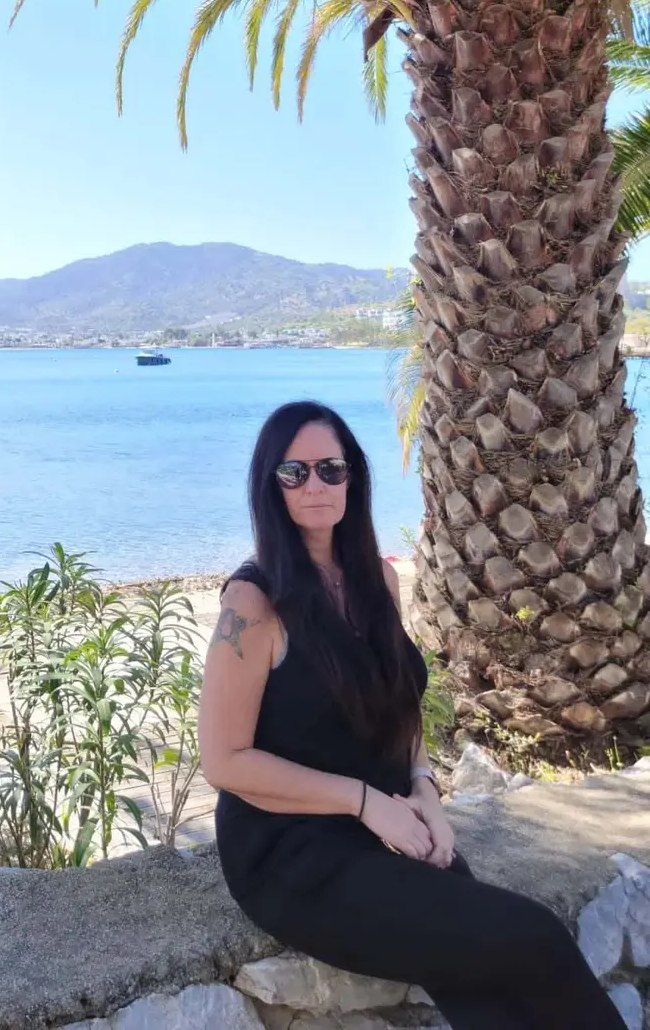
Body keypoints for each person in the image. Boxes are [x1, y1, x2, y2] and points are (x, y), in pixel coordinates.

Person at [199, 400, 624, 1030]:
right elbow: (223, 761)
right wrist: (368, 802)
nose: (315, 485)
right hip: (291, 851)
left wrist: (424, 787)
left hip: (389, 820)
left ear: (353, 479)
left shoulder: (377, 580)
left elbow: (398, 703)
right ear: (271, 486)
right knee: (533, 938)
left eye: (330, 469)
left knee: (482, 984)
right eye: (294, 473)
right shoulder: (254, 601)